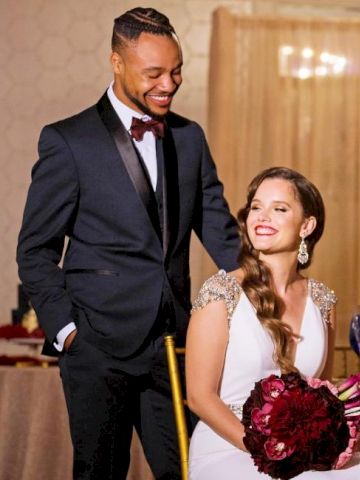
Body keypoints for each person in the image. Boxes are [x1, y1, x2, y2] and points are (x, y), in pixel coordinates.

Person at [16, 7, 240, 479]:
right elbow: (34, 251)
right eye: (154, 73)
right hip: (96, 345)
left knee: (188, 469)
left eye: (176, 70)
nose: (169, 84)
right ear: (116, 63)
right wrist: (66, 331)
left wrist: (275, 288)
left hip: (174, 344)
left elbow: (220, 231)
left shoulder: (190, 138)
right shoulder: (68, 141)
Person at [186, 167, 360, 479]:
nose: (262, 217)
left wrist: (329, 440)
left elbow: (325, 391)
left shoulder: (322, 300)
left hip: (297, 451)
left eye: (279, 209)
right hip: (229, 446)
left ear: (306, 225)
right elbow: (200, 398)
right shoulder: (221, 293)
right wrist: (263, 447)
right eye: (256, 207)